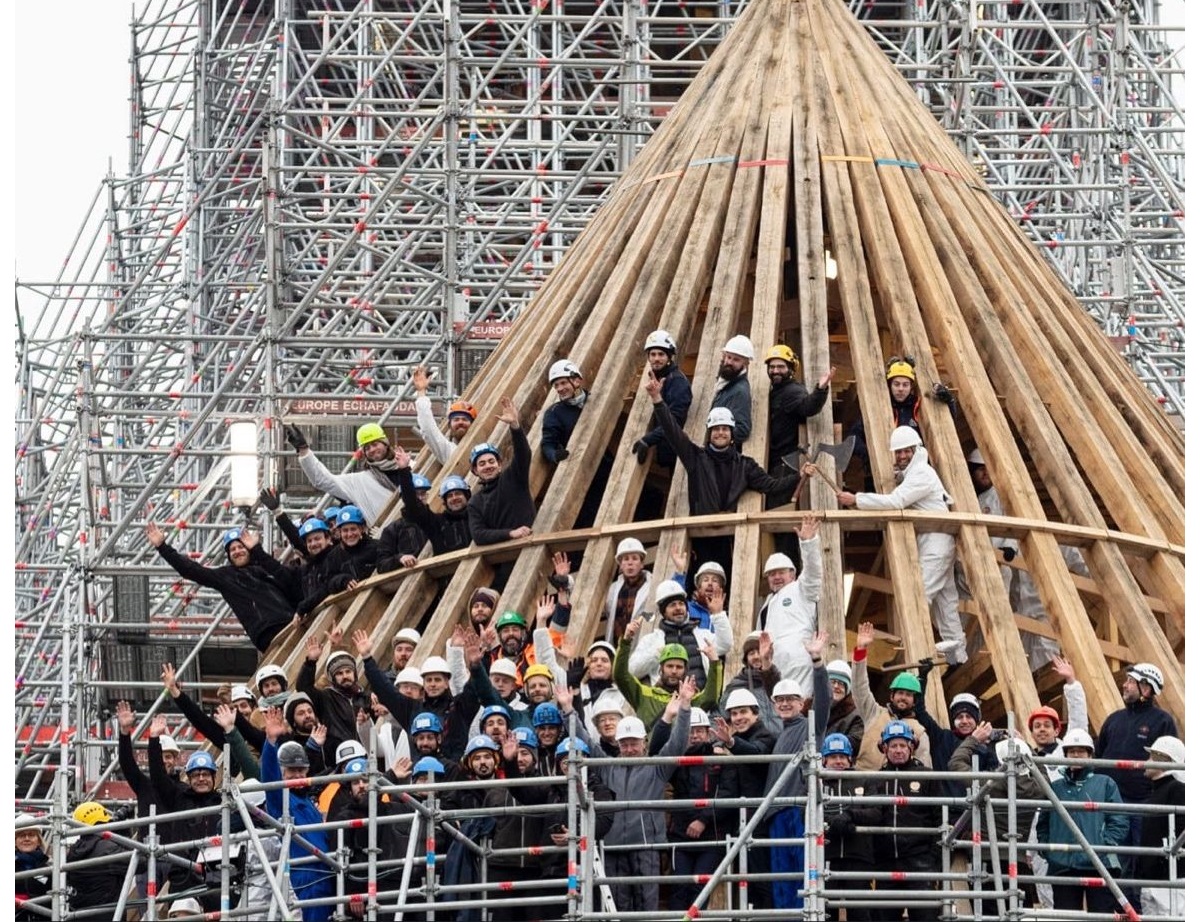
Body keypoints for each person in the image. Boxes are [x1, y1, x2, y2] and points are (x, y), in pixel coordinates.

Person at [647, 369, 798, 581]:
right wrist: (657, 399)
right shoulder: (696, 459)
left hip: (728, 539)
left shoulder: (744, 465)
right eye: (716, 429)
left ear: (732, 434)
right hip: (700, 538)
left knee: (726, 585)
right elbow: (673, 432)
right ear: (710, 433)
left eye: (725, 429)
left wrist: (800, 476)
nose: (720, 433)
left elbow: (771, 486)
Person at [836, 427, 966, 666]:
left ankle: (918, 649)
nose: (902, 456)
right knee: (945, 603)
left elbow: (896, 501)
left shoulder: (922, 474)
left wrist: (856, 499)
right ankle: (957, 657)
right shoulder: (913, 475)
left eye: (906, 451)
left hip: (936, 543)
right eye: (898, 452)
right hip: (934, 541)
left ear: (916, 450)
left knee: (920, 596)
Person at [967, 448, 1088, 669]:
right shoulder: (973, 500)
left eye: (988, 470)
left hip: (1022, 578)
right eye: (980, 470)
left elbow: (1013, 524)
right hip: (1002, 578)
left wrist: (1009, 547)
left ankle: (1042, 672)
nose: (985, 474)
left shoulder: (1002, 498)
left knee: (1040, 633)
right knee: (1000, 625)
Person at [593, 675, 695, 913]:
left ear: (644, 743)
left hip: (646, 846)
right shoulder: (608, 767)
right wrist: (568, 710)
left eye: (634, 743)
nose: (629, 748)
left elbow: (678, 743)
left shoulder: (657, 767)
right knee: (617, 907)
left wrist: (685, 708)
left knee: (646, 905)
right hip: (613, 846)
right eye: (624, 744)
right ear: (618, 745)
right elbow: (586, 740)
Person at [1094, 661, 1177, 904]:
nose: (1125, 685)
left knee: (1141, 861)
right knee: (1114, 862)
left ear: (1147, 688)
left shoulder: (1162, 721)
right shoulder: (1113, 720)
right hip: (1112, 805)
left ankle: (1137, 912)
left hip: (1143, 805)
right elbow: (1100, 756)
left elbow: (1169, 764)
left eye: (1131, 681)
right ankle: (1117, 912)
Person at [147, 522, 299, 653]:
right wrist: (163, 547)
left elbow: (292, 581)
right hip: (266, 632)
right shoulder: (226, 576)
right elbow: (191, 570)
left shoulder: (267, 568)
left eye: (241, 547)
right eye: (232, 549)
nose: (237, 551)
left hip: (292, 622)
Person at [762, 631, 831, 911]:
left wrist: (816, 661)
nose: (786, 703)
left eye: (792, 699)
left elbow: (824, 700)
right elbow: (773, 692)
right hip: (777, 812)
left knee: (802, 879)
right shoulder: (780, 733)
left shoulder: (810, 727)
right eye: (780, 700)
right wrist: (767, 668)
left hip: (798, 811)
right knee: (782, 882)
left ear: (802, 703)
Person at [949, 728, 1044, 917]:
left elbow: (956, 763)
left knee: (988, 915)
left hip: (986, 859)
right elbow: (1040, 770)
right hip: (1019, 860)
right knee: (1018, 913)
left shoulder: (989, 783)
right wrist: (1024, 746)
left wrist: (973, 739)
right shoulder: (1037, 787)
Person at [1037, 728, 1128, 915]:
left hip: (1099, 864)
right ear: (1065, 755)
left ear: (1089, 754)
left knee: (1101, 916)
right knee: (1066, 916)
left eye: (1080, 751)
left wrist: (1104, 845)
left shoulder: (1105, 783)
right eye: (1071, 751)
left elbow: (1119, 819)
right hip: (1062, 864)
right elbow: (1043, 822)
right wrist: (1047, 849)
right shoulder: (1055, 788)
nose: (1076, 755)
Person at [260, 707, 335, 922]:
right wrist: (270, 742)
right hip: (304, 876)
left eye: (302, 770)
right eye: (292, 771)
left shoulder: (309, 802)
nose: (298, 776)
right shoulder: (281, 800)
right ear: (282, 772)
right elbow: (270, 780)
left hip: (326, 873)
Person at [869, 720, 946, 921]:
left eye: (903, 745)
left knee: (925, 916)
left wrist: (933, 857)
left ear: (911, 747)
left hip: (920, 861)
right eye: (893, 745)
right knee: (884, 917)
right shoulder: (876, 780)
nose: (898, 750)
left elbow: (940, 816)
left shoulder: (927, 777)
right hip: (886, 862)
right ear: (884, 748)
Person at [711, 687, 778, 909]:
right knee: (744, 884)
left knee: (761, 882)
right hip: (741, 821)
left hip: (758, 822)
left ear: (756, 713)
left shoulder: (765, 736)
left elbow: (757, 754)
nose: (738, 718)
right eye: (735, 713)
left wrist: (731, 744)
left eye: (743, 712)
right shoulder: (735, 740)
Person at [285, 421, 405, 526]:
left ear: (385, 443)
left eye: (375, 444)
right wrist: (304, 450)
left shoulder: (411, 466)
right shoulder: (360, 481)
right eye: (367, 448)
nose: (372, 450)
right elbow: (323, 480)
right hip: (386, 542)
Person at [849, 622, 932, 770]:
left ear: (914, 701)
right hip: (864, 784)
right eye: (900, 693)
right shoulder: (874, 714)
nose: (903, 697)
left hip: (900, 790)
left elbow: (924, 772)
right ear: (892, 696)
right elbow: (859, 687)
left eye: (908, 695)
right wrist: (861, 651)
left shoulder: (919, 732)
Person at [614, 618, 725, 726]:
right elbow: (621, 677)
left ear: (686, 670)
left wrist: (714, 662)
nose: (674, 671)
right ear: (661, 668)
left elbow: (711, 697)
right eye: (669, 666)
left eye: (679, 667)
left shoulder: (691, 701)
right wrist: (626, 641)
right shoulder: (644, 695)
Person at [818, 733, 881, 922]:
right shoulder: (816, 783)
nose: (838, 761)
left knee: (860, 911)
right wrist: (833, 822)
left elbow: (876, 812)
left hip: (858, 856)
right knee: (827, 911)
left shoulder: (863, 780)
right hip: (827, 856)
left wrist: (850, 815)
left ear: (850, 758)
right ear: (824, 760)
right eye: (833, 757)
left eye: (842, 757)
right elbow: (805, 813)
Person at [756, 516, 822, 694]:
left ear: (792, 574)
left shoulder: (801, 589)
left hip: (799, 660)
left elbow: (814, 573)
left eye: (781, 572)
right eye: (771, 574)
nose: (776, 577)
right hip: (773, 665)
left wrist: (808, 543)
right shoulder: (765, 606)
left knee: (801, 707)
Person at [627, 579, 732, 689]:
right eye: (672, 605)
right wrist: (655, 653)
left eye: (681, 603)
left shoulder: (702, 635)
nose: (678, 608)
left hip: (701, 702)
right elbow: (632, 670)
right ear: (664, 611)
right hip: (667, 703)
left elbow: (725, 644)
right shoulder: (651, 640)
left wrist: (718, 614)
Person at [466, 395, 535, 548]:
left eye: (491, 461)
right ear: (475, 470)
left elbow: (524, 454)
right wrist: (511, 533)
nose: (488, 466)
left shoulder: (513, 478)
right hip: (500, 561)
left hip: (528, 549)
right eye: (482, 463)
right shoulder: (475, 502)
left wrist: (515, 426)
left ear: (499, 464)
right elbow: (478, 535)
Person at [763, 344, 833, 476]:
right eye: (772, 367)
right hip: (775, 461)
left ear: (791, 369)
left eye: (781, 367)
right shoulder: (777, 390)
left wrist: (820, 390)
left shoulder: (793, 391)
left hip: (784, 464)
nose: (775, 371)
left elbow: (808, 407)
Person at [1136, 735, 1185, 917]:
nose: (1146, 762)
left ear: (1163, 759)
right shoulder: (1160, 791)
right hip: (1155, 878)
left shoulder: (1177, 789)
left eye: (1151, 757)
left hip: (1170, 879)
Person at [392, 446, 472, 556]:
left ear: (467, 496)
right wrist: (404, 470)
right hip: (449, 572)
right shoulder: (436, 522)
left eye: (458, 493)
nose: (454, 498)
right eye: (449, 496)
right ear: (444, 501)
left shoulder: (477, 515)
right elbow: (412, 504)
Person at [297, 633, 368, 752]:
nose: (345, 676)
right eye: (339, 673)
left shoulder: (366, 697)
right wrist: (310, 662)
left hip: (365, 753)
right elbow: (303, 687)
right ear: (332, 678)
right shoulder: (325, 698)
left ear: (354, 673)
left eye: (348, 671)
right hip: (338, 757)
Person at [632, 329, 692, 468]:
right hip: (667, 445)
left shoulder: (677, 382)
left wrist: (648, 440)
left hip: (678, 452)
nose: (656, 358)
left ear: (669, 357)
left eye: (661, 354)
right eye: (652, 354)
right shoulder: (658, 377)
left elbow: (674, 420)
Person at [65, 802, 133, 919]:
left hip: (80, 915)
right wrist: (122, 835)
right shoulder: (107, 849)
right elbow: (141, 863)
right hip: (108, 916)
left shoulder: (75, 850)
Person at [719, 631, 782, 737]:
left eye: (759, 651)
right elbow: (720, 716)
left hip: (780, 744)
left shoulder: (778, 683)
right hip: (754, 745)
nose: (757, 656)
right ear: (746, 659)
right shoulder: (736, 686)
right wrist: (718, 744)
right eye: (751, 653)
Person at [411, 364, 478, 465]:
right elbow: (429, 429)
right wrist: (421, 392)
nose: (460, 422)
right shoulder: (449, 451)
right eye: (456, 419)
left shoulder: (482, 447)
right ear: (449, 426)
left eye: (465, 419)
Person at [375, 466, 431, 573]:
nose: (419, 498)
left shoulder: (437, 521)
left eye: (423, 494)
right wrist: (400, 558)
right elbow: (381, 564)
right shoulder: (393, 530)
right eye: (415, 494)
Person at [600, 537, 653, 644]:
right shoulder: (613, 589)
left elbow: (654, 616)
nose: (630, 563)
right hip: (617, 647)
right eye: (626, 559)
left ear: (642, 564)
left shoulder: (652, 586)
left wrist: (642, 618)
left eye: (634, 558)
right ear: (620, 565)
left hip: (640, 646)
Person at [710, 334, 755, 448]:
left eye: (736, 359)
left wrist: (719, 438)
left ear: (745, 363)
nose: (729, 362)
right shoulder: (726, 381)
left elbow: (742, 429)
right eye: (728, 357)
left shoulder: (739, 391)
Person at [824, 658, 863, 758]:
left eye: (841, 683)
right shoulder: (809, 708)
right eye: (832, 681)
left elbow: (855, 743)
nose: (836, 686)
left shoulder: (856, 716)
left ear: (847, 689)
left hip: (838, 766)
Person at [15, 814, 51, 922]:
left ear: (39, 840)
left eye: (31, 835)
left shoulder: (50, 868)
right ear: (15, 841)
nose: (27, 839)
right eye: (22, 835)